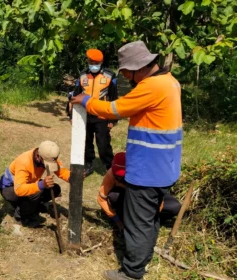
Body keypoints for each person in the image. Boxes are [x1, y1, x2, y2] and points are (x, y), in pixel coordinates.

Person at [71, 41, 182, 280]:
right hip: (166, 166)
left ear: (137, 67)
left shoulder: (152, 86)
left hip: (148, 170)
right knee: (150, 217)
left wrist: (85, 101)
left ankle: (131, 273)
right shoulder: (171, 81)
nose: (126, 77)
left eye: (126, 72)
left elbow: (114, 109)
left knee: (139, 222)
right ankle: (143, 257)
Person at [98, 152, 181, 231]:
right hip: (127, 199)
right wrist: (117, 220)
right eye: (117, 176)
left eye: (122, 177)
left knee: (175, 207)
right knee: (114, 196)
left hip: (147, 197)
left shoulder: (144, 173)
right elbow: (101, 199)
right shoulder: (111, 174)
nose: (119, 179)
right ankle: (127, 219)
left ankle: (152, 221)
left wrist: (153, 217)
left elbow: (158, 196)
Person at [69, 49, 118, 176]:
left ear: (101, 62)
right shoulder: (82, 75)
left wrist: (112, 119)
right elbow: (74, 95)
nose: (93, 64)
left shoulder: (109, 76)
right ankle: (88, 164)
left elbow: (113, 98)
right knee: (86, 141)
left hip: (102, 115)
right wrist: (71, 115)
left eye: (96, 62)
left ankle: (109, 167)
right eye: (91, 62)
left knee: (103, 143)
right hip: (85, 115)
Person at [0, 141, 70, 227]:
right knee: (36, 191)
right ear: (38, 157)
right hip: (10, 189)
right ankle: (20, 216)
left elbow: (61, 171)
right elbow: (19, 189)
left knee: (55, 189)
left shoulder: (48, 155)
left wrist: (71, 178)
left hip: (28, 184)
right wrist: (42, 185)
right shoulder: (24, 162)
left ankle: (33, 206)